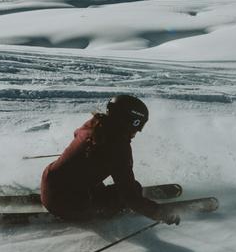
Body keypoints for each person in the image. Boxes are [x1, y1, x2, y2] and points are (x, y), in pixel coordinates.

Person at [39, 95, 178, 224]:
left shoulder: (94, 124)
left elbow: (78, 136)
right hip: (68, 205)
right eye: (137, 127)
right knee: (134, 188)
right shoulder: (117, 147)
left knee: (91, 175)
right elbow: (130, 198)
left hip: (49, 182)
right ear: (129, 122)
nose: (137, 132)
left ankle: (75, 196)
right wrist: (162, 214)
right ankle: (89, 207)